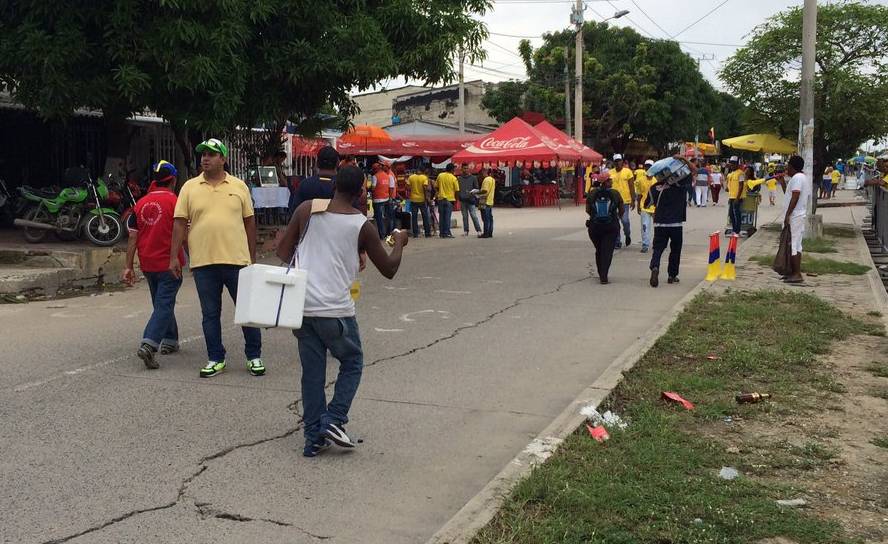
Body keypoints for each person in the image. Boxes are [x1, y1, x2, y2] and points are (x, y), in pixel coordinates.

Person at [276, 165, 408, 457]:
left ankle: (313, 438)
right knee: (352, 362)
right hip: (335, 310)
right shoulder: (362, 225)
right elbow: (388, 269)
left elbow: (283, 253)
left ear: (333, 186)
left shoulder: (307, 210)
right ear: (361, 193)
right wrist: (399, 242)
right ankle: (334, 418)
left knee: (312, 374)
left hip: (303, 307)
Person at [169, 138, 264, 378]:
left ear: (223, 158)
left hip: (237, 261)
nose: (205, 158)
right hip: (203, 262)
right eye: (203, 154)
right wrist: (174, 257)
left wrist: (251, 258)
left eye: (211, 154)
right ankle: (215, 358)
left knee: (247, 311)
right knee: (210, 314)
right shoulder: (189, 187)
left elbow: (249, 222)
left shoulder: (239, 186)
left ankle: (254, 356)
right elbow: (179, 223)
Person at [123, 161, 185, 369]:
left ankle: (171, 340)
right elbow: (185, 234)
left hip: (148, 264)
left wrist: (128, 266)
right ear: (173, 180)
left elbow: (133, 238)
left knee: (162, 303)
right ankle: (149, 344)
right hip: (170, 263)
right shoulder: (176, 202)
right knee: (164, 304)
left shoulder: (140, 204)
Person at [648, 156, 696, 287]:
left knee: (658, 248)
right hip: (676, 224)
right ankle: (672, 275)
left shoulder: (654, 188)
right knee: (675, 250)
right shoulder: (681, 184)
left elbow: (648, 204)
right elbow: (694, 170)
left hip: (660, 223)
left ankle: (655, 267)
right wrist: (683, 158)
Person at [586, 173, 624, 284]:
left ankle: (600, 272)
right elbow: (621, 210)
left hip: (595, 227)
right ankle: (604, 274)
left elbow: (587, 210)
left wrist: (595, 216)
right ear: (606, 182)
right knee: (607, 251)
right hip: (611, 227)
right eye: (610, 180)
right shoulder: (615, 193)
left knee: (599, 250)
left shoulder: (592, 193)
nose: (611, 181)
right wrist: (616, 218)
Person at [778, 155, 810, 284]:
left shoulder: (797, 178)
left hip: (795, 215)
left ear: (792, 167)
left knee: (794, 245)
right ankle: (792, 272)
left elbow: (795, 197)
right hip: (796, 214)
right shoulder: (800, 178)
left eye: (788, 166)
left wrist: (788, 215)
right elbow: (790, 194)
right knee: (794, 244)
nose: (786, 169)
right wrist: (782, 183)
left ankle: (797, 273)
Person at [291, 146, 340, 211]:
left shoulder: (304, 185)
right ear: (338, 163)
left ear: (317, 163)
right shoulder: (344, 186)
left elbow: (295, 210)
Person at [609, 154, 636, 248]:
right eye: (616, 161)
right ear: (613, 162)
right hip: (613, 201)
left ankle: (627, 234)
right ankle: (617, 241)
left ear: (622, 161)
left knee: (625, 221)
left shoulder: (628, 172)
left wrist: (633, 199)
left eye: (619, 160)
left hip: (625, 201)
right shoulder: (610, 173)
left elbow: (631, 186)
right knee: (615, 222)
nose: (618, 163)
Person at [635, 159, 656, 253]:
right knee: (645, 226)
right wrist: (638, 206)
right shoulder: (640, 180)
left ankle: (657, 243)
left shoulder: (657, 180)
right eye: (646, 166)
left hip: (655, 207)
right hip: (644, 206)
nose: (648, 168)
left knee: (658, 227)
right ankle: (645, 244)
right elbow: (639, 194)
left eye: (650, 166)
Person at [457, 163, 482, 236]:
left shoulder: (473, 178)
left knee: (474, 216)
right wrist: (459, 196)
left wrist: (472, 192)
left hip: (471, 200)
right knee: (465, 217)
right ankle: (466, 231)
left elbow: (477, 188)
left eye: (467, 168)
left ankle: (479, 230)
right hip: (463, 200)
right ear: (461, 169)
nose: (466, 170)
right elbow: (457, 189)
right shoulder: (459, 178)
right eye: (464, 168)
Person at [435, 163, 459, 238]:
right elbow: (457, 190)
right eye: (454, 169)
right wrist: (456, 200)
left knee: (441, 217)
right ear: (451, 170)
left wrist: (439, 192)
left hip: (441, 199)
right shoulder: (454, 178)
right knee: (447, 217)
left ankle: (442, 233)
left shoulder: (440, 175)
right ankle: (447, 233)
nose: (454, 170)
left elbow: (436, 186)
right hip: (450, 200)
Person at [407, 168, 432, 238]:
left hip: (413, 199)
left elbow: (408, 188)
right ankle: (427, 233)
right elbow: (425, 188)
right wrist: (427, 198)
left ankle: (415, 234)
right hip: (422, 200)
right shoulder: (424, 177)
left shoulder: (411, 177)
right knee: (425, 216)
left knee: (414, 217)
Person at [370, 163, 392, 239]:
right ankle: (388, 233)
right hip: (386, 198)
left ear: (376, 169)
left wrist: (368, 188)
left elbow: (373, 188)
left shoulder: (375, 176)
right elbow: (390, 187)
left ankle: (382, 235)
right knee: (387, 217)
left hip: (378, 199)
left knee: (379, 218)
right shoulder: (387, 176)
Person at [726, 156, 746, 235]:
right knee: (731, 214)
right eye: (731, 164)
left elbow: (741, 186)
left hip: (737, 197)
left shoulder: (740, 173)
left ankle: (737, 231)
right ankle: (734, 230)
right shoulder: (730, 174)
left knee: (736, 214)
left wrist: (737, 198)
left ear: (737, 164)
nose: (732, 165)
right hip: (731, 197)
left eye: (734, 164)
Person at [478, 168, 496, 238]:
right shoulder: (492, 179)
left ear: (485, 172)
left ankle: (486, 233)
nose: (480, 175)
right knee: (490, 218)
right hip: (490, 201)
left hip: (484, 201)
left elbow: (484, 192)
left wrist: (476, 193)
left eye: (481, 173)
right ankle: (490, 232)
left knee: (485, 219)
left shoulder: (486, 180)